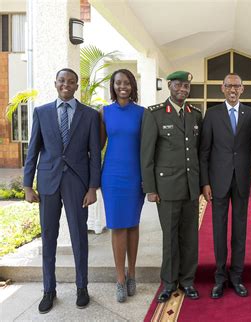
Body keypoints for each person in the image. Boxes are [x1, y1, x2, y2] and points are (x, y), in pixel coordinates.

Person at [23, 68, 101, 313]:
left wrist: (92, 187)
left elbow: (94, 155)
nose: (66, 85)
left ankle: (82, 287)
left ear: (76, 86)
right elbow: (33, 150)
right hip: (48, 182)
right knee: (48, 238)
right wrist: (27, 185)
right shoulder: (42, 112)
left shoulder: (89, 115)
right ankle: (49, 289)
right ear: (55, 83)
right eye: (62, 81)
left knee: (79, 236)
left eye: (71, 82)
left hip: (78, 184)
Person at [141, 71, 202, 303]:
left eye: (186, 86)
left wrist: (200, 184)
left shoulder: (195, 114)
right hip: (166, 187)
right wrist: (150, 188)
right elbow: (147, 154)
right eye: (178, 85)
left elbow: (198, 151)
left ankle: (187, 281)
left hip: (190, 187)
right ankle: (168, 282)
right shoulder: (154, 114)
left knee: (190, 237)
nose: (183, 90)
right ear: (169, 85)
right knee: (170, 237)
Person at [199, 73, 251, 299]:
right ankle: (220, 278)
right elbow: (204, 151)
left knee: (240, 232)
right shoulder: (212, 114)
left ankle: (237, 277)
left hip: (242, 179)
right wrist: (205, 182)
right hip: (218, 181)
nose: (233, 89)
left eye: (237, 86)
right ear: (222, 89)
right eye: (228, 85)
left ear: (243, 89)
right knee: (219, 231)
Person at [100, 69, 145, 302]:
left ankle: (132, 274)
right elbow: (96, 146)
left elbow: (146, 149)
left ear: (132, 86)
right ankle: (119, 279)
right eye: (118, 83)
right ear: (113, 86)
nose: (122, 86)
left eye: (126, 83)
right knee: (117, 226)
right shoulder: (105, 113)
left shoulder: (142, 113)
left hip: (135, 176)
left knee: (133, 225)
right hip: (112, 177)